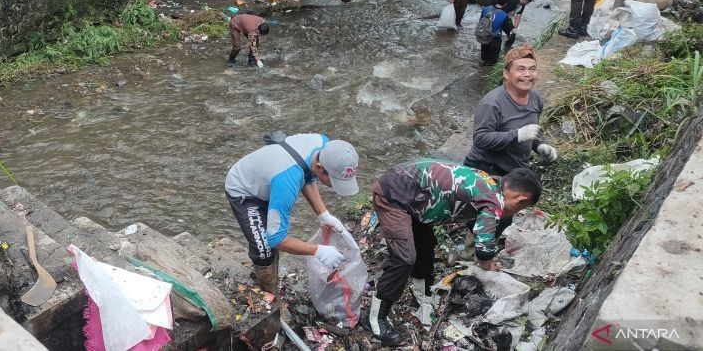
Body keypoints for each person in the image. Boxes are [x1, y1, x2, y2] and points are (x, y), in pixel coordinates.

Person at [365, 161, 542, 345]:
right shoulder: (493, 198)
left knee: (425, 248)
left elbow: (476, 225)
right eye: (520, 208)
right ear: (520, 200)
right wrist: (487, 263)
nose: (513, 212)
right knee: (404, 257)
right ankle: (375, 318)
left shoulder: (489, 182)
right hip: (394, 194)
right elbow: (483, 249)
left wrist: (485, 247)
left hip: (415, 200)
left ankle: (421, 297)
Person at [225, 135, 359, 295]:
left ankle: (272, 283)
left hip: (269, 179)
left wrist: (324, 214)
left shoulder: (324, 145)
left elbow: (308, 176)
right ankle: (269, 297)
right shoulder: (287, 182)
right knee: (264, 250)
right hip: (244, 190)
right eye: (333, 180)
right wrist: (317, 251)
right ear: (320, 167)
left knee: (270, 234)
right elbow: (276, 238)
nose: (333, 185)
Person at [464, 44, 557, 233]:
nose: (527, 74)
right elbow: (480, 138)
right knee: (484, 218)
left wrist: (540, 145)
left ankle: (490, 248)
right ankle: (473, 251)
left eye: (532, 69)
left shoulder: (535, 99)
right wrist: (517, 135)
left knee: (504, 217)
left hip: (513, 169)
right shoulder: (492, 103)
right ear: (506, 74)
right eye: (520, 69)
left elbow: (533, 131)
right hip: (485, 168)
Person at [479, 0, 515, 66]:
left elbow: (481, 21)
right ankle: (487, 74)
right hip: (495, 40)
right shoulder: (504, 15)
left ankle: (482, 68)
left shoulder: (486, 9)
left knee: (484, 58)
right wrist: (509, 34)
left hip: (484, 36)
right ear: (505, 4)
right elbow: (507, 29)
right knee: (492, 61)